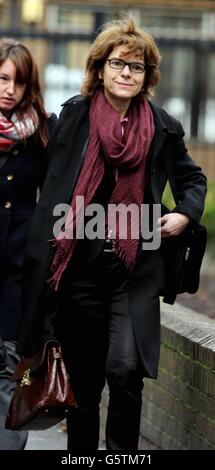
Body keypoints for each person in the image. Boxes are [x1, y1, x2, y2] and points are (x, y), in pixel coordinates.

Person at [17, 15, 207, 450]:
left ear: (147, 77)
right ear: (99, 68)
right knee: (84, 384)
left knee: (125, 372)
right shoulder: (73, 119)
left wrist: (185, 214)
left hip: (134, 268)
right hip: (79, 269)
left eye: (137, 67)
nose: (127, 73)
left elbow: (193, 181)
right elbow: (44, 179)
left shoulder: (162, 127)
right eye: (119, 63)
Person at [0, 38, 57, 450]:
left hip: (17, 275)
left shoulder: (42, 131)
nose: (9, 89)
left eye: (18, 82)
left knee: (9, 371)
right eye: (3, 78)